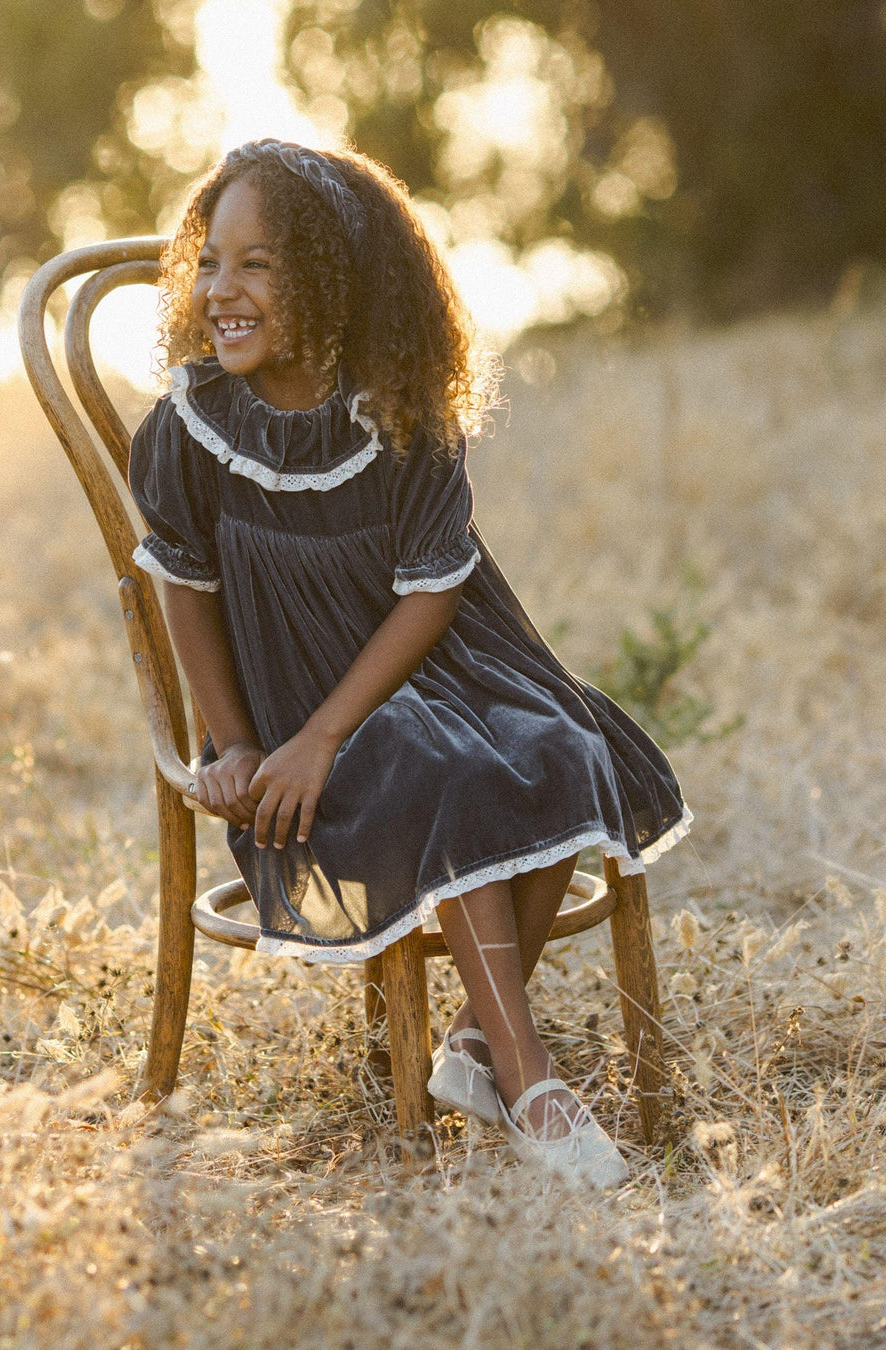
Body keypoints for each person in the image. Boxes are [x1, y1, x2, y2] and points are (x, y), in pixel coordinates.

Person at [128, 139, 691, 1188]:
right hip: (288, 701)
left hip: (434, 665)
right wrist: (248, 740)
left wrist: (329, 733)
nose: (221, 290)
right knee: (452, 772)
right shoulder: (190, 427)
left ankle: (478, 1044)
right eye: (210, 261)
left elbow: (435, 589)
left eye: (258, 265)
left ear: (334, 281)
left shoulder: (400, 411)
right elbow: (186, 592)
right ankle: (529, 1079)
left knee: (564, 740)